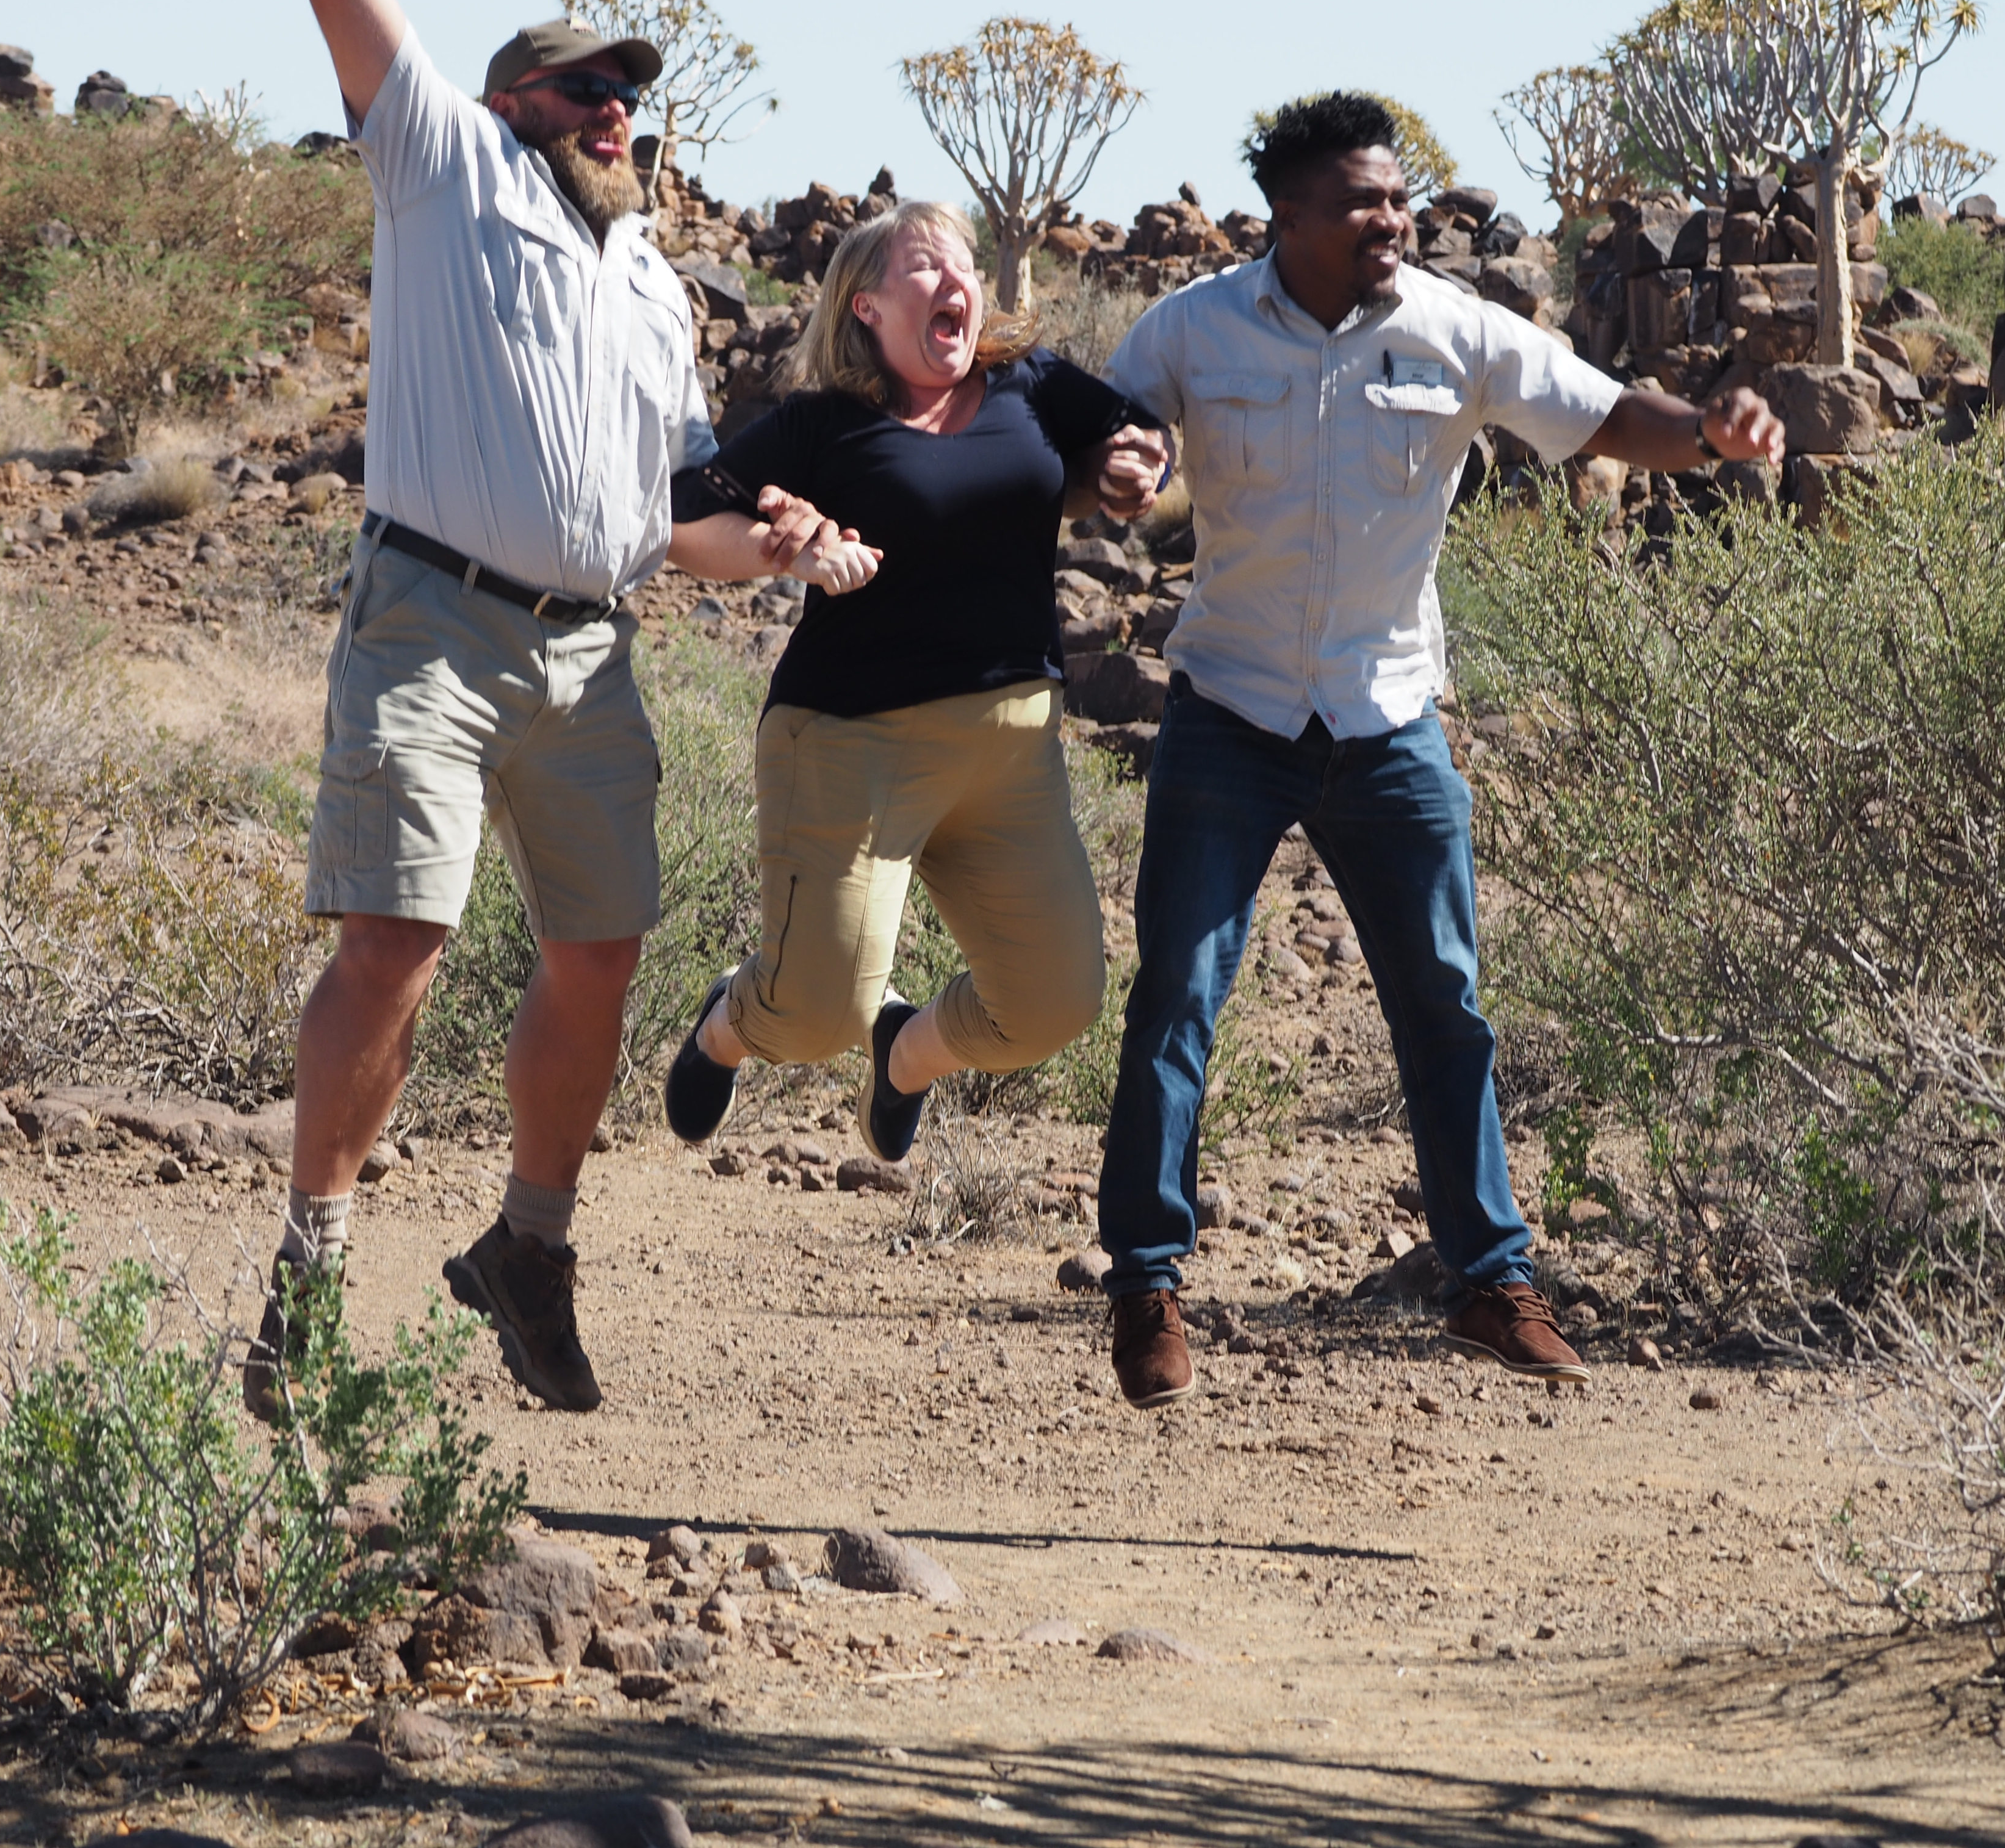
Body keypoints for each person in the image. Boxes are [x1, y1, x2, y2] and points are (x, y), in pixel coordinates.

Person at [237, 0, 826, 1418]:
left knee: (603, 954)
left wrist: (769, 548)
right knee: (396, 940)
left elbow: (673, 521)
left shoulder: (658, 293)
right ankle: (311, 1269)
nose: (614, 113)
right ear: (515, 106)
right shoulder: (442, 164)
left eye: (628, 96)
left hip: (592, 652)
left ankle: (531, 1248)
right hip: (431, 617)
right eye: (584, 91)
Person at [1092, 93, 1785, 1409]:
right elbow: (1115, 439)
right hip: (1230, 714)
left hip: (1389, 719)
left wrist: (1704, 432)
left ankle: (1488, 1280)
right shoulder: (1190, 330)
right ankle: (1146, 1285)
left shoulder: (1456, 329)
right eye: (1362, 202)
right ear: (1286, 217)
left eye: (1400, 198)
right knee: (1176, 999)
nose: (1394, 220)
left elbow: (1601, 414)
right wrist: (1120, 469)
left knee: (1446, 1010)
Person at [659, 202, 1167, 1157]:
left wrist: (1137, 464)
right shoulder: (821, 428)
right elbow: (685, 522)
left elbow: (1133, 437)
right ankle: (725, 1026)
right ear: (867, 307)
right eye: (926, 268)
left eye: (963, 265)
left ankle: (905, 1054)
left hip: (1009, 751)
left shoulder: (1031, 385)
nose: (955, 282)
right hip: (851, 744)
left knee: (1053, 1006)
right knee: (808, 1021)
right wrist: (786, 552)